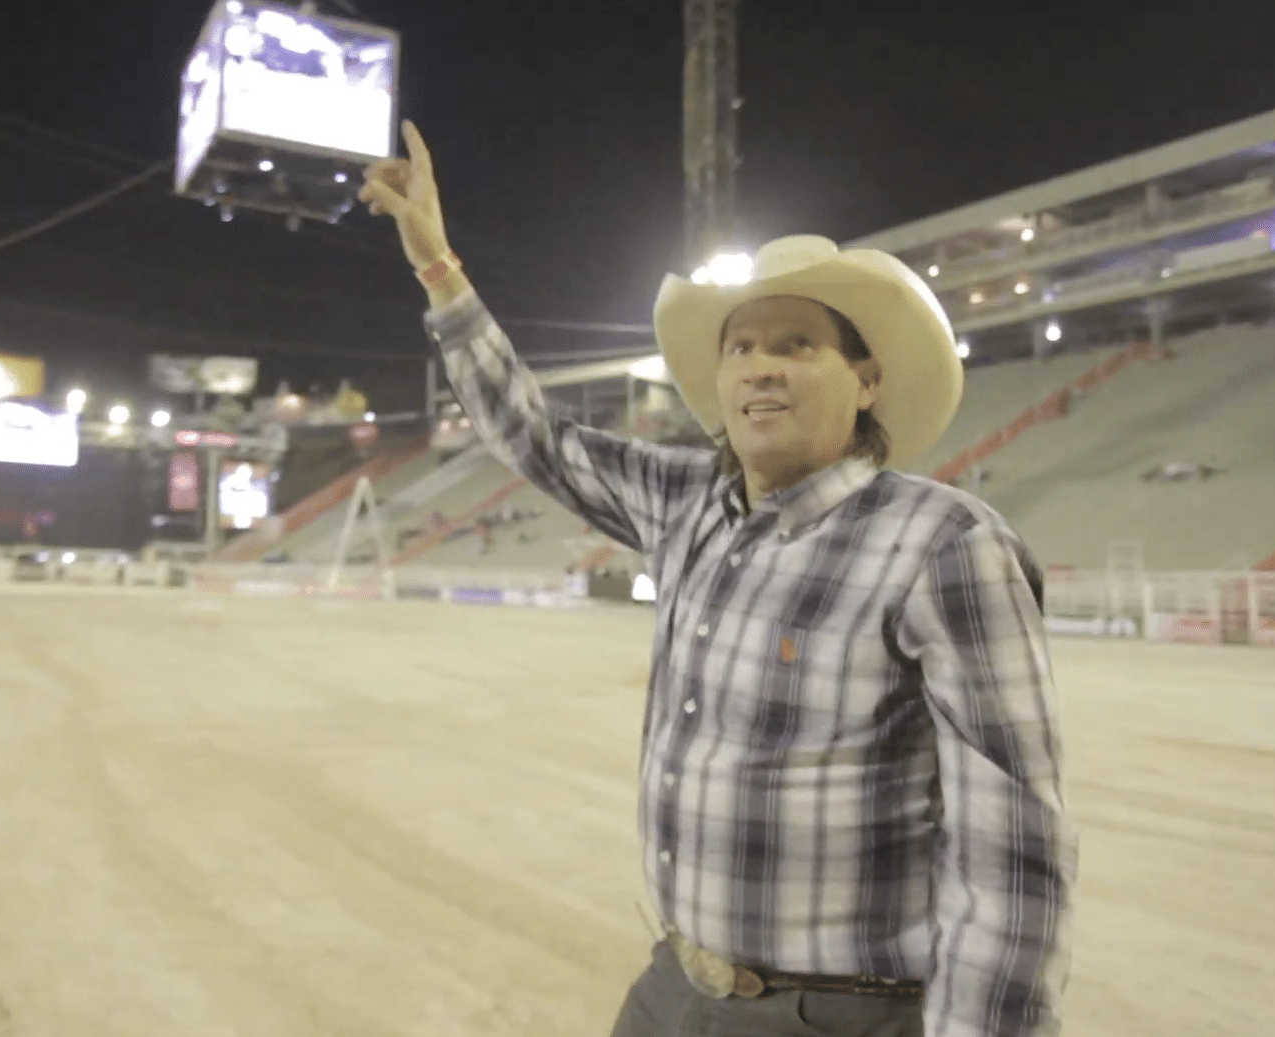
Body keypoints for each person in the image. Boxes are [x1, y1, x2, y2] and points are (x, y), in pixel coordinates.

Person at [361, 122, 1075, 1037]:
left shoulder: (942, 543)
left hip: (840, 1011)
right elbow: (531, 432)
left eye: (797, 344)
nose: (760, 364)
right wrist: (440, 271)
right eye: (740, 347)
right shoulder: (684, 500)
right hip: (675, 985)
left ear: (864, 380)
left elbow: (1012, 840)